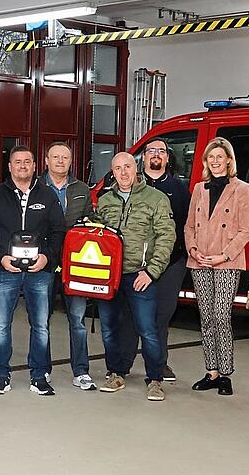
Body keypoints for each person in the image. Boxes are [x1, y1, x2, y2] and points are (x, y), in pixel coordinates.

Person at [0, 145, 66, 396]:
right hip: (6, 270)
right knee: (1, 324)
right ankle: (2, 376)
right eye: (17, 162)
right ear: (10, 166)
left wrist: (47, 258)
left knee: (40, 325)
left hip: (40, 271)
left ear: (35, 166)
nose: (23, 166)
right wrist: (0, 258)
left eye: (27, 162)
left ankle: (39, 376)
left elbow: (59, 232)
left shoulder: (47, 195)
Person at [94, 152, 175, 401]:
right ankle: (116, 373)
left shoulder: (156, 198)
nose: (123, 172)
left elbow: (166, 236)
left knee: (148, 329)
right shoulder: (105, 200)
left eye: (127, 166)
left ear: (136, 168)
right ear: (112, 172)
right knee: (109, 329)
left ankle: (155, 379)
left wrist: (151, 271)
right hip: (110, 278)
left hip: (140, 276)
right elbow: (97, 236)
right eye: (118, 168)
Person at [116, 138, 191, 382]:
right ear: (143, 157)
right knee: (129, 316)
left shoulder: (180, 188)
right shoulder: (132, 185)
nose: (156, 155)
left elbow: (185, 225)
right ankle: (123, 365)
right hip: (135, 265)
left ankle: (160, 364)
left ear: (168, 158)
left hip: (171, 262)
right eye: (151, 151)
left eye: (161, 151)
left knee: (161, 316)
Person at [184, 138, 249, 396]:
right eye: (210, 157)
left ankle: (226, 374)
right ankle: (211, 372)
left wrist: (223, 256)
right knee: (206, 318)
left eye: (219, 157)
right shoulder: (199, 189)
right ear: (205, 162)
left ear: (228, 160)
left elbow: (246, 230)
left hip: (227, 262)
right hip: (200, 261)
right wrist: (193, 250)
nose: (215, 161)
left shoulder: (242, 189)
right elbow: (189, 225)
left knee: (221, 316)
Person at [42, 141, 97, 391]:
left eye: (65, 157)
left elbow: (90, 223)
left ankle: (81, 371)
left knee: (77, 319)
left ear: (71, 161)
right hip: (44, 263)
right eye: (56, 157)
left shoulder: (82, 189)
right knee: (42, 320)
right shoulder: (37, 187)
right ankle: (42, 370)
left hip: (75, 265)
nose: (60, 161)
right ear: (47, 161)